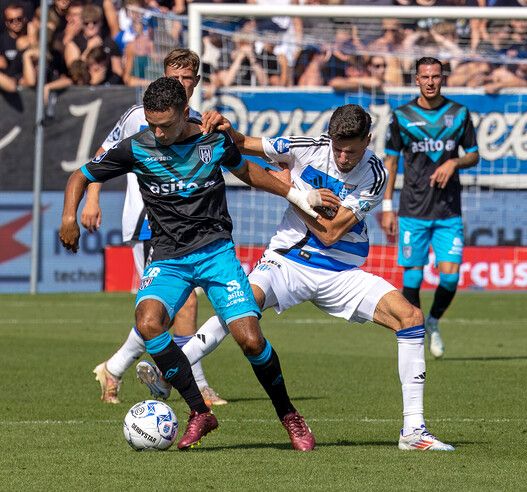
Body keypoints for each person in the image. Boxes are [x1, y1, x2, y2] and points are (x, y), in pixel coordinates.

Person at [137, 104, 456, 451]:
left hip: (341, 273)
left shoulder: (375, 174)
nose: (344, 156)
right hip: (287, 262)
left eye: (352, 150)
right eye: (338, 148)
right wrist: (226, 131)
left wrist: (295, 196)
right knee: (242, 307)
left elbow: (332, 233)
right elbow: (245, 144)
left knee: (409, 316)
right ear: (330, 137)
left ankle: (413, 431)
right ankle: (172, 374)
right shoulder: (307, 147)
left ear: (368, 140)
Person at [59, 76, 335, 450]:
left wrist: (298, 195)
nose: (158, 132)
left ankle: (289, 415)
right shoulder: (136, 147)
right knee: (149, 322)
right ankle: (199, 412)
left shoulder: (212, 139)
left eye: (166, 125)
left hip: (215, 252)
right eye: (152, 124)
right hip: (169, 257)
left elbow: (246, 171)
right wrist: (69, 218)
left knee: (250, 341)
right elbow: (81, 174)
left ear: (184, 113)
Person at [83, 49, 228, 407]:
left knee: (168, 308)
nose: (179, 83)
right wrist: (92, 198)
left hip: (184, 227)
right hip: (148, 223)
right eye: (172, 77)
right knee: (181, 303)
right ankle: (196, 382)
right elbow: (101, 157)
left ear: (195, 83)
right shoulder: (140, 116)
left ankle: (114, 368)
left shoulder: (195, 122)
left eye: (186, 78)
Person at [380, 57, 479, 359]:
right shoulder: (402, 116)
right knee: (412, 278)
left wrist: (454, 161)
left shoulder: (459, 114)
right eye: (426, 77)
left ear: (443, 78)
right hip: (412, 210)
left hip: (448, 211)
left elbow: (474, 155)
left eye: (436, 76)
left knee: (450, 276)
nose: (431, 82)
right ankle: (417, 331)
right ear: (417, 80)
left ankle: (433, 321)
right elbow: (392, 161)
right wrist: (387, 206)